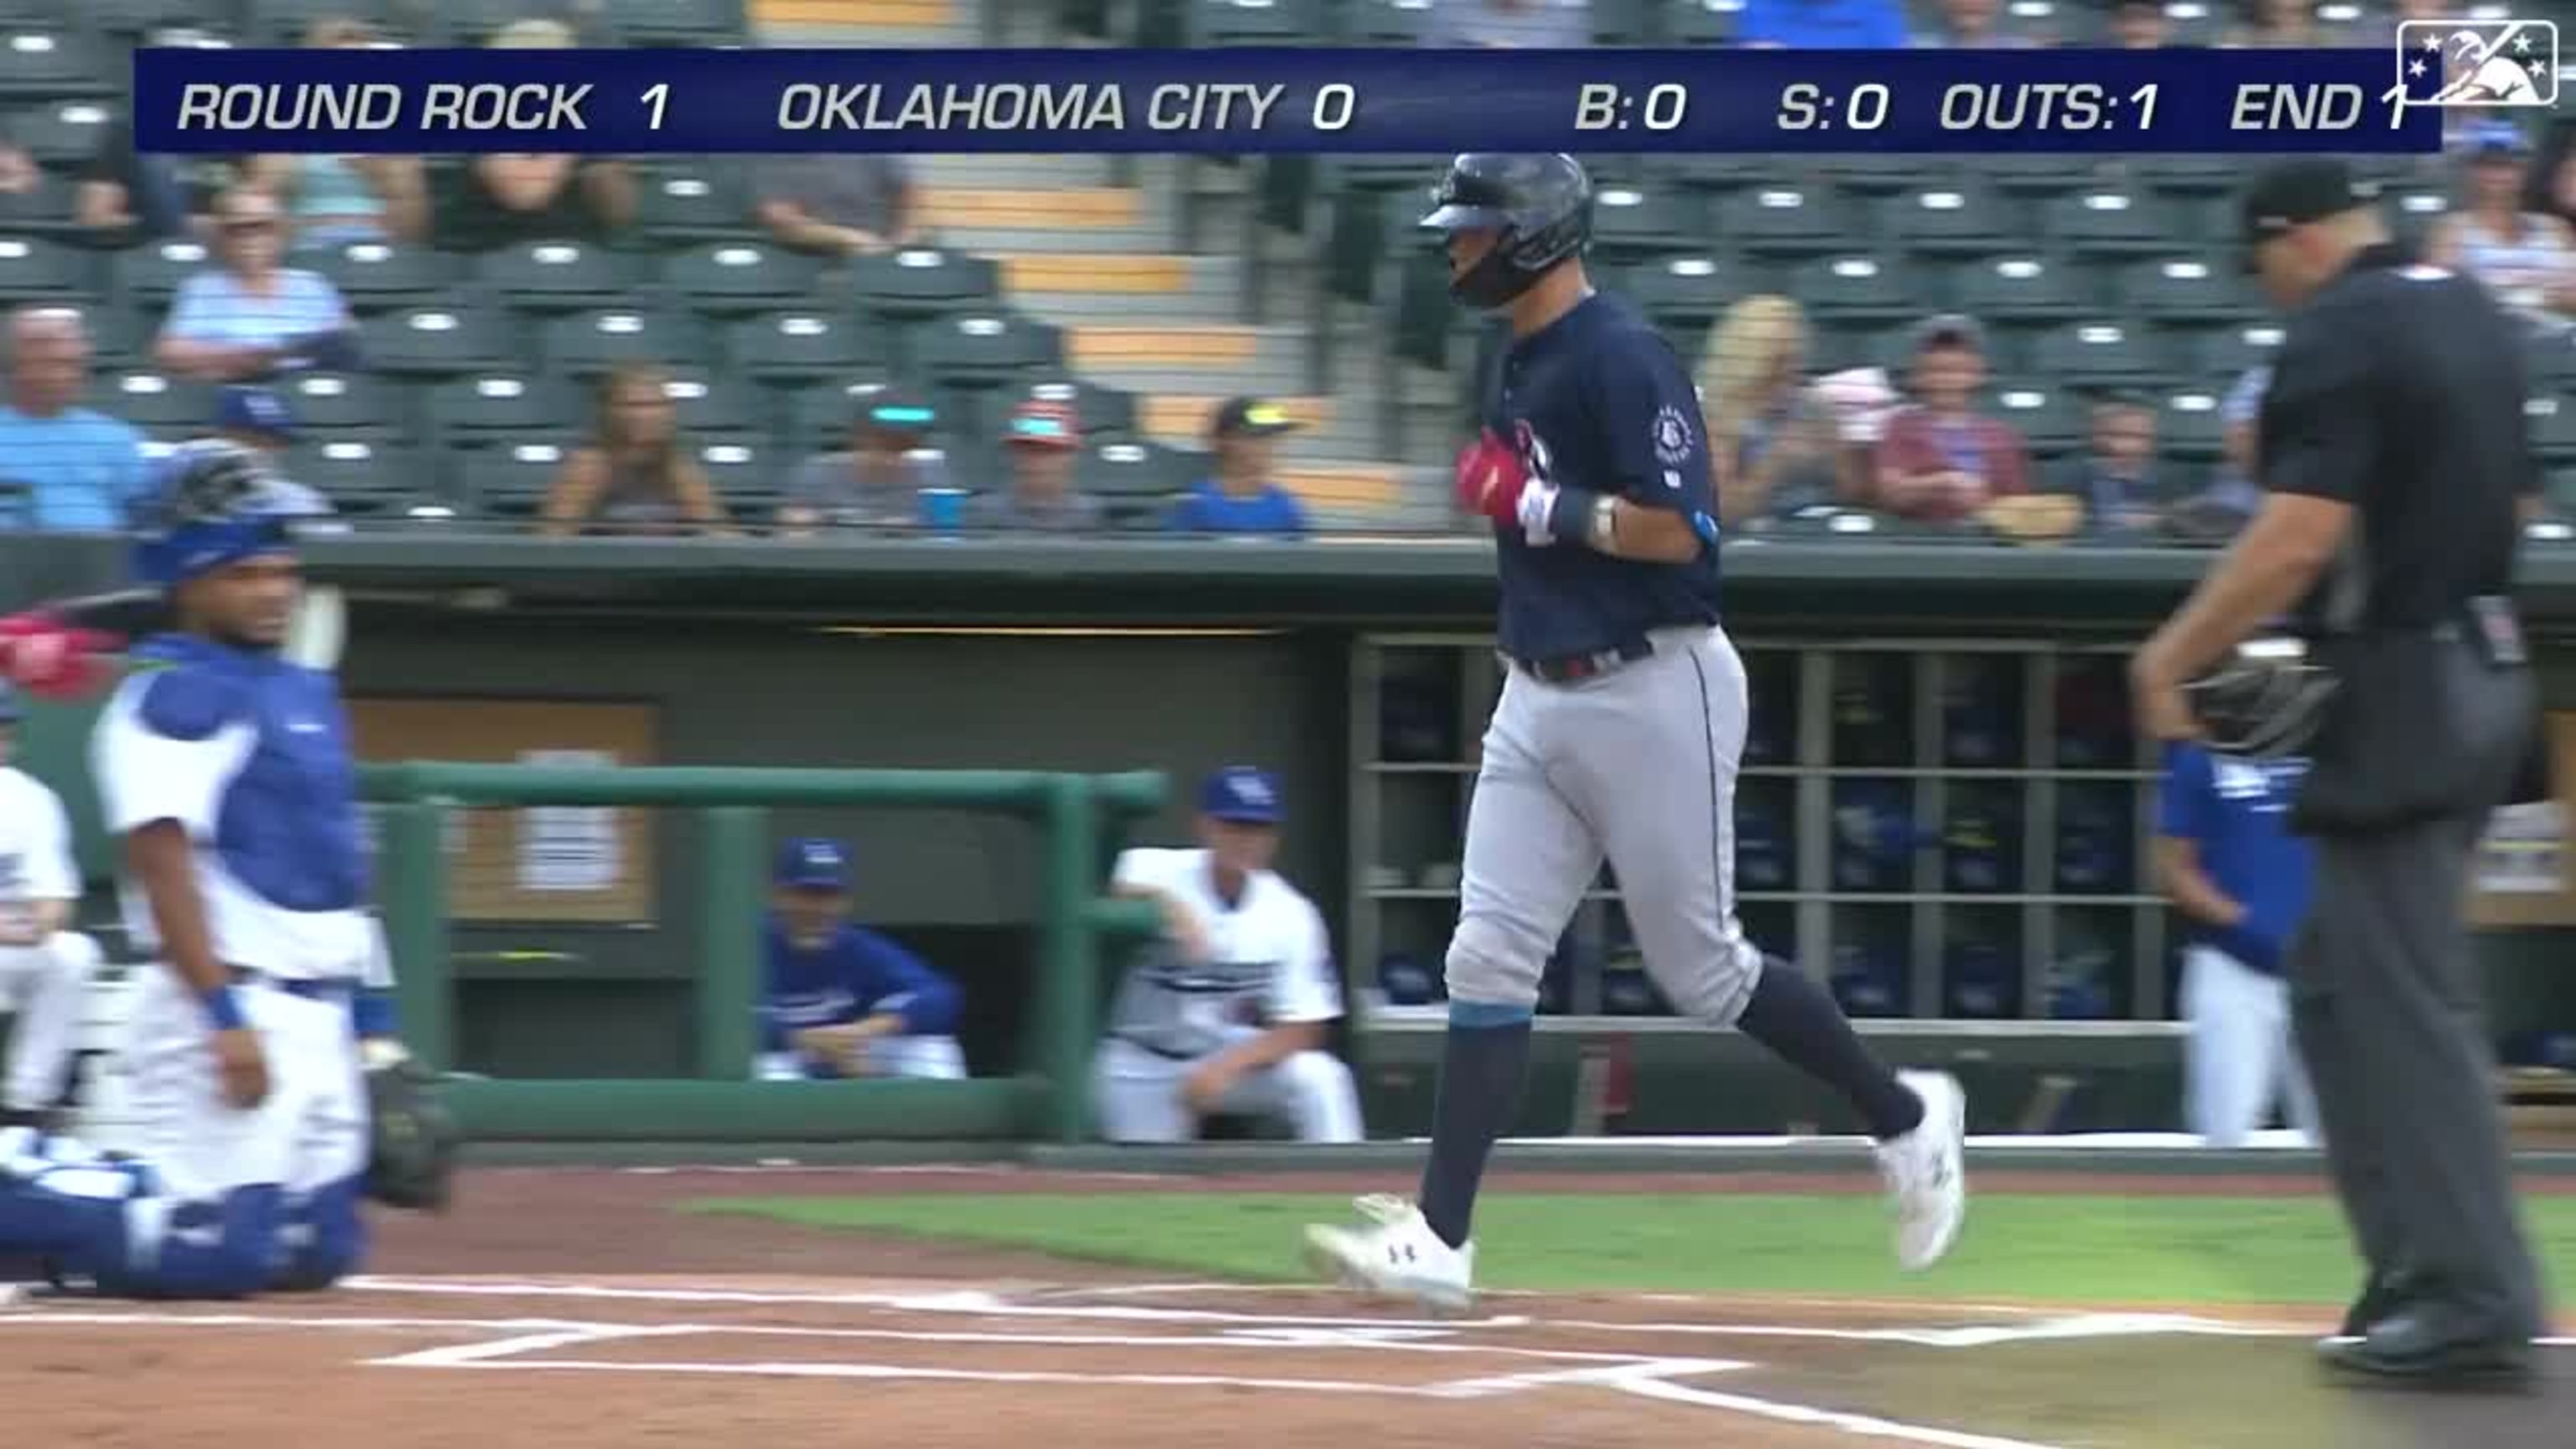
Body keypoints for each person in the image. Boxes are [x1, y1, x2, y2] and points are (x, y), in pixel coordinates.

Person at [1302, 155, 1966, 1311]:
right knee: (1487, 956)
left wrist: (1538, 504)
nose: (1456, 248)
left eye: (1475, 230)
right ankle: (1441, 1241)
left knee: (1701, 968)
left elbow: (1683, 535)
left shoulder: (1622, 356)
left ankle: (1906, 1119)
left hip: (1656, 680)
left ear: (1538, 235)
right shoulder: (1514, 356)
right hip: (1538, 690)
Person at [2132, 158, 2549, 1384]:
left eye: (2263, 268)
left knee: (2405, 1000)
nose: (2268, 297)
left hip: (2409, 689)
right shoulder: (2470, 304)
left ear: (2293, 238)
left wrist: (2177, 652)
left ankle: (2470, 1292)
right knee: (2334, 983)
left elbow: (2300, 531)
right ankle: (2417, 1267)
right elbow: (2512, 506)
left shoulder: (2339, 327)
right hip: (2480, 662)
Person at [0, 441, 412, 1298]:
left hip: (320, 1010)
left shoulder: (302, 690)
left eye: (281, 568)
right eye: (246, 573)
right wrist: (223, 1012)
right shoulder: (174, 694)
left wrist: (375, 1026)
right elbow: (162, 863)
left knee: (314, 1253)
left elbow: (337, 862)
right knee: (198, 1254)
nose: (275, 589)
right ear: (189, 580)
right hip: (225, 1000)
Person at [1095, 767, 1363, 1145]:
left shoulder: (1290, 912)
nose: (1247, 839)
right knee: (1148, 1182)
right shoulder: (1152, 868)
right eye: (1234, 825)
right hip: (1141, 1059)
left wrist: (1224, 1068)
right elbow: (1096, 890)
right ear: (1205, 826)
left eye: (1259, 828)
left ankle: (1344, 1191)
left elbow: (1304, 1026)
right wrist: (1164, 905)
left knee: (1320, 1077)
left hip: (1223, 1053)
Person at [2156, 740, 2319, 1148]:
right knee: (2226, 1133)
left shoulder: (2342, 747)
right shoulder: (2202, 755)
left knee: (2348, 1134)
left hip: (2332, 968)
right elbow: (2172, 866)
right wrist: (2244, 921)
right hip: (2231, 966)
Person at [756, 839, 968, 1082]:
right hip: (784, 1054)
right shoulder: (749, 942)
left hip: (850, 1049)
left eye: (830, 896)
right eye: (806, 894)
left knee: (932, 1051)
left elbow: (940, 995)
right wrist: (802, 1039)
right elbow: (726, 1021)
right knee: (767, 1070)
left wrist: (865, 1031)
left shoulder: (857, 946)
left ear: (846, 901)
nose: (818, 908)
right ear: (778, 896)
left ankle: (936, 1121)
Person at [433, 18, 635, 252]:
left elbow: (621, 215)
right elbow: (525, 194)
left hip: (574, 254)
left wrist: (610, 163)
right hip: (483, 251)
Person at [0, 679, 105, 1129]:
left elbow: (55, 902)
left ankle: (25, 1105)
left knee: (72, 954)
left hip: (9, 945)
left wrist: (39, 925)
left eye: (4, 729)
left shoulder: (30, 801)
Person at [242, 19, 428, 248]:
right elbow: (258, 202)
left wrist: (383, 177)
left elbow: (414, 224)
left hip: (376, 244)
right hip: (304, 244)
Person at [153, 187, 362, 384]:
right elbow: (170, 353)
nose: (249, 238)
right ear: (221, 237)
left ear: (281, 233)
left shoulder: (313, 285)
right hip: (233, 392)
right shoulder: (201, 288)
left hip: (306, 394)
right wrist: (241, 357)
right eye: (236, 229)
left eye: (262, 227)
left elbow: (346, 343)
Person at [1698, 295, 1851, 527]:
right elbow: (1724, 510)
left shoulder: (1814, 408)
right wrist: (1777, 462)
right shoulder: (1717, 417)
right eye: (1780, 360)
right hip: (1754, 544)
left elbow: (1852, 492)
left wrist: (1834, 452)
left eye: (1796, 358)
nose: (1792, 370)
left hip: (1819, 534)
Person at [539, 362, 732, 537]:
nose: (648, 415)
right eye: (634, 405)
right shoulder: (590, 467)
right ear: (611, 411)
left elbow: (718, 535)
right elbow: (552, 540)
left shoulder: (678, 468)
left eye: (657, 405)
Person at [0, 307, 149, 531]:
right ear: (19, 367)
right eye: (57, 364)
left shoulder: (117, 438)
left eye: (76, 364)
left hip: (97, 560)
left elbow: (140, 519)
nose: (72, 375)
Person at [1871, 314, 2030, 523]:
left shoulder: (2001, 435)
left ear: (1977, 375)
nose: (1945, 380)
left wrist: (1986, 504)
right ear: (1918, 377)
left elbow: (2020, 507)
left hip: (1986, 544)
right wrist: (1942, 483)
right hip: (1922, 541)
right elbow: (1889, 494)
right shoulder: (1900, 426)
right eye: (1935, 371)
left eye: (1957, 371)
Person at [2427, 124, 2576, 339]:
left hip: (2558, 343)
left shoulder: (2555, 229)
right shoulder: (2451, 230)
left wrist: (2501, 292)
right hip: (2487, 346)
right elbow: (2438, 300)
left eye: (2508, 165)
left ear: (2524, 170)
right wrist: (2538, 294)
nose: (2497, 174)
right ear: (2470, 172)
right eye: (2487, 165)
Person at [778, 387, 943, 534]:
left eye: (902, 449)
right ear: (860, 439)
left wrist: (912, 530)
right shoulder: (819, 471)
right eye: (885, 444)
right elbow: (793, 526)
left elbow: (945, 535)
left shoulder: (930, 477)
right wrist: (805, 523)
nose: (893, 457)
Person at [1167, 397, 1311, 538]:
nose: (1268, 447)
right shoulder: (1193, 503)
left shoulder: (1285, 508)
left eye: (1273, 438)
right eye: (1257, 436)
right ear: (1225, 441)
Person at [969, 400, 1105, 532]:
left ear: (1070, 457)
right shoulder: (982, 513)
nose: (1035, 461)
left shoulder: (1092, 515)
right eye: (1026, 450)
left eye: (1048, 451)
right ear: (1012, 455)